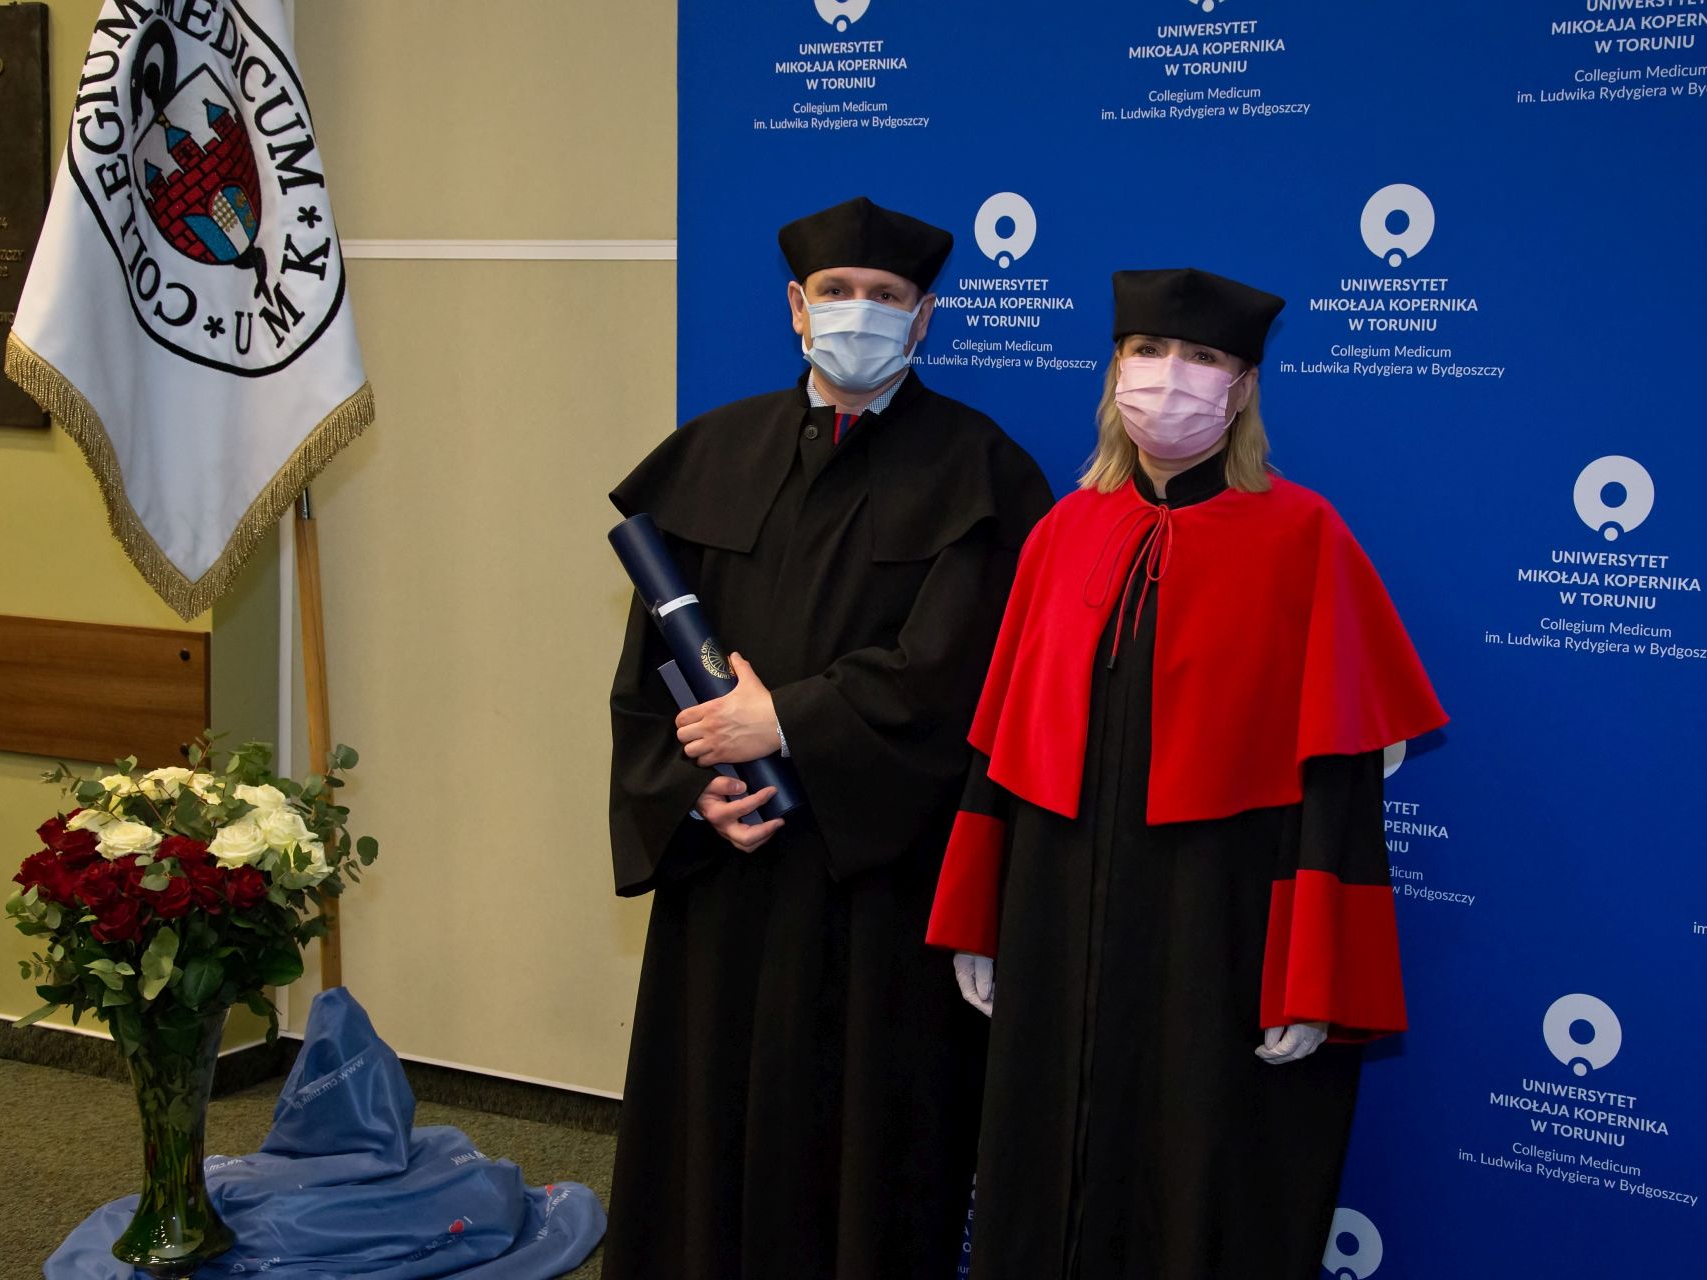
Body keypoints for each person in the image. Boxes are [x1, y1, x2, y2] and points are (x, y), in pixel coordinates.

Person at [926, 268, 1447, 1279]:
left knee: (1200, 1170)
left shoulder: (1304, 537)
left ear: (1242, 387)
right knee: (1043, 1160)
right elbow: (1001, 742)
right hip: (1056, 914)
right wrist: (978, 913)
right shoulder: (1062, 533)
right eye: (1148, 351)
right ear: (1115, 369)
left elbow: (1341, 785)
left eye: (1202, 357)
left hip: (1219, 923)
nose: (1170, 377)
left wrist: (1312, 972)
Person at [602, 195, 1053, 1280]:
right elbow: (646, 672)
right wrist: (689, 787)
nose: (860, 311)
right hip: (728, 873)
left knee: (869, 1156)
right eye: (837, 292)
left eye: (887, 296)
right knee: (706, 1137)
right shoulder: (712, 451)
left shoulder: (980, 471)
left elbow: (955, 676)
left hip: (881, 882)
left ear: (925, 318)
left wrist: (786, 719)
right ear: (797, 309)